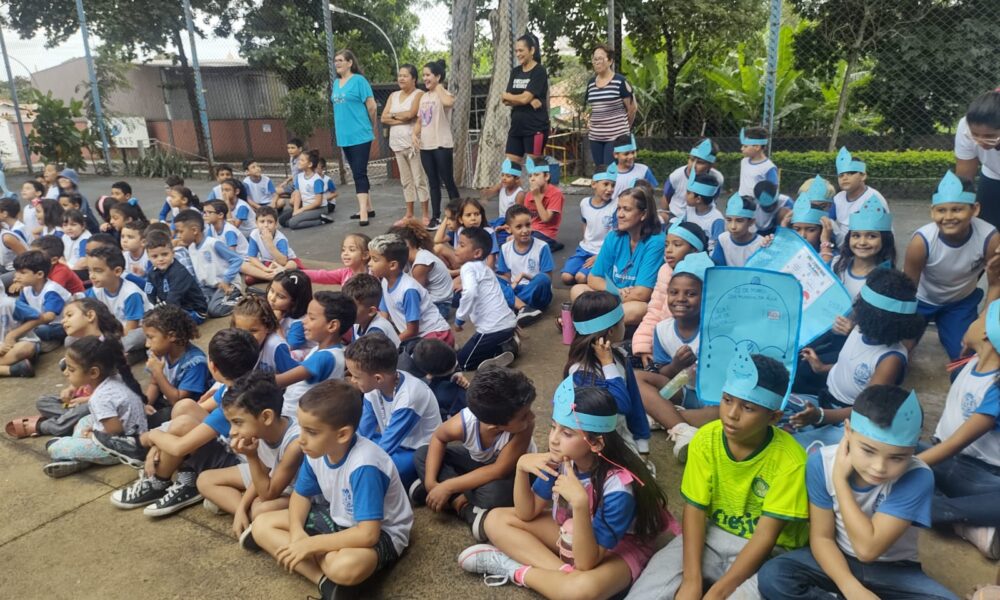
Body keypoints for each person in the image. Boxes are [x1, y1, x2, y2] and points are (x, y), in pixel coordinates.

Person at [458, 383, 670, 599]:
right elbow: (526, 513)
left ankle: (517, 570)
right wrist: (521, 467)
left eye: (567, 433)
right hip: (573, 536)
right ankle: (563, 576)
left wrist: (578, 503)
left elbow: (587, 562)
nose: (553, 439)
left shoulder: (619, 488)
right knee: (494, 519)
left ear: (596, 443)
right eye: (553, 427)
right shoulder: (561, 459)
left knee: (580, 591)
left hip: (618, 548)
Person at [627, 353, 809, 599]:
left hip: (770, 551)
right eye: (727, 400)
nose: (731, 414)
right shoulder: (705, 439)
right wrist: (692, 581)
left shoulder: (792, 460)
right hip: (710, 535)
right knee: (649, 589)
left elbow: (766, 536)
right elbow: (695, 510)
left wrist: (718, 592)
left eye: (748, 407)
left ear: (774, 417)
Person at [758, 386, 957, 600]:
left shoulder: (917, 476)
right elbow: (822, 538)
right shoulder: (821, 463)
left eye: (897, 458)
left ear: (913, 448)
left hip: (895, 570)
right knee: (775, 575)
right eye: (868, 451)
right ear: (847, 430)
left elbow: (868, 549)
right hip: (836, 560)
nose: (879, 467)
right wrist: (851, 587)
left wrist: (840, 482)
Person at [251, 379, 413, 600]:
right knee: (261, 524)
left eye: (311, 432)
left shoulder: (364, 466)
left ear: (342, 434)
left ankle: (328, 570)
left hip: (383, 533)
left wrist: (311, 544)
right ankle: (325, 582)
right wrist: (297, 532)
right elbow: (301, 495)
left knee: (344, 567)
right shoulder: (316, 451)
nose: (301, 440)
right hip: (340, 520)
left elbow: (368, 535)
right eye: (300, 428)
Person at [98, 329, 260, 517]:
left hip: (242, 459)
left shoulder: (233, 405)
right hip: (237, 448)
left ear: (213, 366)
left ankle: (157, 479)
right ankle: (186, 476)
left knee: (183, 425)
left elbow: (179, 447)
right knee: (185, 407)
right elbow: (196, 408)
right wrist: (160, 439)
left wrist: (151, 437)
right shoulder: (237, 385)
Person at [792, 269, 924, 449]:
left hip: (846, 418)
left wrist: (820, 416)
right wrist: (821, 368)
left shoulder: (890, 360)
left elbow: (866, 410)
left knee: (799, 445)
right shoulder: (859, 329)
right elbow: (850, 368)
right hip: (824, 399)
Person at [412, 366, 536, 540]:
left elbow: (498, 470)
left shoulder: (525, 428)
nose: (531, 417)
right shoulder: (463, 423)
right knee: (422, 454)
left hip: (512, 474)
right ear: (495, 426)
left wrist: (447, 487)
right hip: (478, 465)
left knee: (496, 494)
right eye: (523, 416)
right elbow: (438, 438)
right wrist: (432, 483)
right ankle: (463, 505)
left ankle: (454, 500)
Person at [918, 300, 1000, 558]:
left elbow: (956, 444)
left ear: (987, 333)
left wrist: (904, 466)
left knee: (902, 463)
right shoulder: (972, 361)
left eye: (979, 316)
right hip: (946, 459)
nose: (972, 319)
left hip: (981, 476)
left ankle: (942, 511)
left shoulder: (997, 389)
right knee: (897, 447)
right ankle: (969, 525)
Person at [196, 370, 303, 546]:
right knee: (205, 480)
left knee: (261, 507)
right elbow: (263, 472)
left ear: (266, 417)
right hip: (270, 480)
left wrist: (251, 457)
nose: (232, 432)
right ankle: (246, 516)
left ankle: (253, 518)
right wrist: (240, 509)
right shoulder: (260, 431)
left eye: (238, 422)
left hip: (295, 491)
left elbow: (268, 494)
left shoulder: (294, 443)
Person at [905, 170, 1000, 360]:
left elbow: (996, 283)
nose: (948, 217)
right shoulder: (921, 241)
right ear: (932, 212)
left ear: (975, 209)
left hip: (959, 303)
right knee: (898, 351)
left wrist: (983, 321)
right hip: (921, 301)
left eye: (957, 209)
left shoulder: (989, 238)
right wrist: (903, 321)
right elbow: (908, 287)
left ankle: (951, 329)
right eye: (941, 210)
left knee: (966, 355)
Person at [636, 253, 720, 456]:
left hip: (713, 399)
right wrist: (676, 364)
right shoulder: (662, 329)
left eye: (691, 294)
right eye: (674, 292)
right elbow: (663, 372)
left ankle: (663, 417)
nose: (680, 299)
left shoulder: (716, 330)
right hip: (683, 392)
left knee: (724, 415)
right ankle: (682, 428)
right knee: (635, 377)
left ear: (706, 296)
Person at [42, 336, 147, 478]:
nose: (66, 372)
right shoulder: (118, 378)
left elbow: (115, 431)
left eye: (71, 370)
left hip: (120, 449)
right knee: (84, 421)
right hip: (137, 433)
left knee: (54, 446)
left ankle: (76, 459)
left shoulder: (99, 398)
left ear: (93, 373)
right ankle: (79, 456)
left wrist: (94, 435)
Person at [347, 333, 442, 488]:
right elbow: (363, 431)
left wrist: (353, 459)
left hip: (417, 451)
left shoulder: (409, 397)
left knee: (371, 471)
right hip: (392, 441)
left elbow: (386, 446)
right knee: (354, 445)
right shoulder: (372, 389)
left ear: (378, 378)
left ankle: (420, 479)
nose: (352, 380)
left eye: (356, 376)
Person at [565, 291, 651, 455]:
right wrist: (607, 365)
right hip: (597, 446)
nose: (624, 326)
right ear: (611, 331)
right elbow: (621, 404)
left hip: (621, 436)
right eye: (622, 322)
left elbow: (634, 400)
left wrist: (642, 442)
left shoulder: (619, 355)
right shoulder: (580, 371)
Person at [571, 186, 665, 326]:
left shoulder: (656, 242)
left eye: (626, 209)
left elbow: (642, 293)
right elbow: (593, 278)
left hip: (630, 302)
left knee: (638, 309)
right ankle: (600, 325)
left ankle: (586, 325)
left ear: (643, 214)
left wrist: (609, 293)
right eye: (618, 208)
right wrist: (616, 292)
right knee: (577, 290)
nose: (619, 214)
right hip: (616, 297)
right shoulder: (613, 237)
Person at [631, 220, 707, 363]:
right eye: (666, 245)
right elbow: (655, 310)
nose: (669, 250)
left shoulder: (706, 275)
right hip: (664, 342)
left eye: (677, 245)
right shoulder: (665, 270)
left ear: (695, 250)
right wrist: (643, 345)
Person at [277, 291, 354, 419]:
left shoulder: (324, 357)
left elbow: (279, 381)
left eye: (311, 318)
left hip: (295, 419)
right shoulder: (325, 351)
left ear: (332, 325)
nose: (304, 322)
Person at [368, 233, 453, 349]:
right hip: (417, 337)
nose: (369, 263)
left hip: (435, 337)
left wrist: (390, 344)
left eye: (375, 260)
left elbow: (412, 330)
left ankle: (449, 357)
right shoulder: (384, 282)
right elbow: (383, 314)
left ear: (392, 265)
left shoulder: (408, 290)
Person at [454, 227, 519, 369]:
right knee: (474, 346)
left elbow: (470, 292)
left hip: (492, 329)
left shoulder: (468, 267)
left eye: (462, 245)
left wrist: (460, 318)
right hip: (508, 324)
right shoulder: (486, 269)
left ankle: (497, 354)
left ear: (477, 253)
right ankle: (508, 345)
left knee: (462, 364)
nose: (456, 248)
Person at [140, 304, 212, 421]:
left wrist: (158, 372)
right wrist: (146, 405)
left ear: (172, 336)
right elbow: (154, 384)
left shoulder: (195, 363)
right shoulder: (159, 353)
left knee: (151, 422)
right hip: (167, 400)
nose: (147, 344)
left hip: (188, 410)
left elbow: (178, 401)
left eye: (151, 337)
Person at [331, 49, 378, 224]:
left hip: (360, 134)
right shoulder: (336, 83)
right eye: (336, 60)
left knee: (359, 173)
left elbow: (372, 106)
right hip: (344, 136)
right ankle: (369, 208)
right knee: (357, 170)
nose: (337, 63)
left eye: (341, 60)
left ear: (350, 63)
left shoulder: (359, 81)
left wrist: (369, 125)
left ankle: (363, 214)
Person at [172, 209, 245, 318]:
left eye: (180, 231)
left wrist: (226, 280)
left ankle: (242, 300)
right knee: (195, 306)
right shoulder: (191, 247)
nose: (178, 236)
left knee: (214, 310)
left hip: (227, 285)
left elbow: (237, 259)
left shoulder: (212, 243)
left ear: (194, 230)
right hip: (208, 288)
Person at [414, 60, 460, 230]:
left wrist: (438, 86)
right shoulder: (424, 97)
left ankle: (459, 213)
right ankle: (435, 217)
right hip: (426, 146)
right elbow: (420, 121)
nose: (425, 78)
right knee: (432, 182)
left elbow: (449, 103)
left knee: (448, 180)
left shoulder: (444, 94)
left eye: (428, 75)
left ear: (438, 76)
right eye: (423, 75)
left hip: (442, 145)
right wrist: (414, 134)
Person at [382, 64, 429, 223]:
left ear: (414, 79)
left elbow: (411, 114)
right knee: (406, 181)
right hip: (397, 144)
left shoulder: (419, 94)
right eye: (399, 75)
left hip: (413, 144)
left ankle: (425, 214)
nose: (401, 78)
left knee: (419, 179)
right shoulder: (393, 96)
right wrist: (400, 117)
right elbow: (383, 118)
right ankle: (409, 214)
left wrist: (393, 116)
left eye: (405, 76)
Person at [83, 246, 151, 353]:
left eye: (98, 271)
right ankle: (113, 353)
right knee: (72, 338)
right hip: (113, 331)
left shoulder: (131, 293)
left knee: (136, 337)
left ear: (117, 271)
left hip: (135, 329)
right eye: (90, 271)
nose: (92, 276)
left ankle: (110, 353)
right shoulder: (95, 291)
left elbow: (131, 328)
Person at [498, 204, 554, 325]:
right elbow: (506, 276)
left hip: (536, 291)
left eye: (528, 225)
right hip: (515, 290)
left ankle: (513, 306)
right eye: (518, 227)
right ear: (508, 229)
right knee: (492, 279)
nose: (525, 230)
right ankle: (524, 308)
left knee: (542, 279)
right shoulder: (505, 248)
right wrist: (507, 284)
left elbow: (548, 278)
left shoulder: (542, 246)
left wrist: (524, 275)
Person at [584, 44, 635, 168]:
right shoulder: (591, 84)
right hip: (595, 136)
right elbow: (589, 108)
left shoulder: (620, 82)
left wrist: (624, 131)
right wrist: (587, 120)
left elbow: (632, 109)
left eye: (600, 59)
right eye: (594, 59)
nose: (597, 62)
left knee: (610, 171)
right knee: (600, 172)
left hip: (615, 137)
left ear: (610, 61)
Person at [562, 171, 617, 286]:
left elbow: (616, 236)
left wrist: (601, 256)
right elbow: (585, 223)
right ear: (593, 184)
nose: (610, 189)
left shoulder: (615, 206)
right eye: (606, 184)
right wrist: (586, 241)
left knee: (580, 277)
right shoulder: (584, 203)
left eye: (613, 185)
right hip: (584, 249)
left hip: (601, 252)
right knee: (566, 277)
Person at [389, 220, 453, 319]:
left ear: (404, 245)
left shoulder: (420, 263)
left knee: (404, 317)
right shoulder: (412, 258)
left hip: (440, 305)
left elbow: (416, 294)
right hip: (433, 300)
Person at [955, 90, 1000, 229]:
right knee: (986, 229)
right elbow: (964, 178)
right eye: (975, 134)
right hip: (993, 175)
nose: (981, 141)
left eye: (989, 136)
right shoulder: (965, 126)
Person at [143, 230, 208, 324]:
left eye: (165, 254)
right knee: (148, 319)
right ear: (149, 257)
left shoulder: (179, 272)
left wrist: (158, 315)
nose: (160, 259)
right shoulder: (152, 272)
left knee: (160, 325)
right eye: (155, 256)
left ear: (173, 253)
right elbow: (150, 294)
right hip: (173, 307)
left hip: (194, 311)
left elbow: (173, 301)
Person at [503, 33, 549, 164]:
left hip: (535, 128)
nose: (518, 54)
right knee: (510, 168)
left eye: (521, 50)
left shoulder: (539, 71)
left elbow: (523, 98)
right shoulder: (515, 71)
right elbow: (505, 100)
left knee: (533, 169)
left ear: (532, 50)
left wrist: (514, 97)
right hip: (516, 127)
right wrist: (528, 99)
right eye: (516, 51)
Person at [830, 147, 889, 246]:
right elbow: (827, 218)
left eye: (851, 173)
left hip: (865, 247)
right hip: (843, 247)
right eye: (841, 175)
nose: (845, 178)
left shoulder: (873, 198)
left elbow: (881, 235)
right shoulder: (838, 198)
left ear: (863, 176)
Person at [13, 250, 70, 348]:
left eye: (22, 273)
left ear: (39, 274)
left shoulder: (52, 291)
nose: (16, 276)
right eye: (16, 272)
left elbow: (49, 317)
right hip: (42, 321)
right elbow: (20, 308)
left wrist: (28, 325)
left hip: (60, 324)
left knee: (42, 330)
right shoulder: (27, 288)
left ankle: (53, 341)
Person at [231, 296, 297, 376]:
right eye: (240, 330)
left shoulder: (276, 347)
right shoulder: (236, 342)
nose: (246, 336)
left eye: (253, 331)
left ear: (268, 327)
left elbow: (295, 376)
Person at [663, 138, 724, 220]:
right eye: (691, 160)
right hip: (676, 217)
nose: (693, 165)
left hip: (702, 219)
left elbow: (712, 199)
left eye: (700, 162)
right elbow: (666, 198)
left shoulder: (717, 179)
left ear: (711, 165)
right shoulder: (676, 176)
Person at [280, 150, 334, 230]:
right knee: (282, 220)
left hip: (319, 209)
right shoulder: (299, 177)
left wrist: (301, 210)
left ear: (310, 164)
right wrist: (296, 210)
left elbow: (318, 202)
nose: (299, 162)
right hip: (305, 206)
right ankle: (302, 219)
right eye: (299, 159)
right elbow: (298, 195)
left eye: (302, 160)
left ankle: (321, 220)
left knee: (292, 223)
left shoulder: (317, 180)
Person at [343, 273, 400, 348]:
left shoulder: (376, 332)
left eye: (352, 308)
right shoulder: (357, 323)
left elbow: (364, 358)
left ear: (371, 311)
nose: (346, 310)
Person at [267, 270, 314, 358]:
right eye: (272, 291)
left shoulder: (299, 322)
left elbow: (287, 349)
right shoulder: (275, 308)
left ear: (295, 301)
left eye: (280, 296)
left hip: (302, 353)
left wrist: (276, 324)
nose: (272, 298)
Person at [0, 279, 40, 378]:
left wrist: (13, 334)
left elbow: (38, 318)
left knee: (26, 348)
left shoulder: (8, 304)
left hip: (16, 345)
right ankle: (12, 370)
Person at [712, 194, 764, 266]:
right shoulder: (723, 239)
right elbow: (718, 269)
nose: (733, 226)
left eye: (739, 221)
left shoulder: (760, 244)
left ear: (751, 222)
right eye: (729, 220)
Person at [299, 232, 369, 286]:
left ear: (365, 255)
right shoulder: (344, 273)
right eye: (343, 250)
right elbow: (322, 275)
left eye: (352, 250)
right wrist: (297, 273)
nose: (345, 253)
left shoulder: (373, 274)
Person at [683, 171, 725, 252]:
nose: (685, 195)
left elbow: (715, 248)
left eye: (688, 193)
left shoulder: (717, 220)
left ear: (698, 199)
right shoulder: (689, 209)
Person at [608, 135, 658, 201]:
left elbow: (651, 193)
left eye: (633, 152)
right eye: (626, 154)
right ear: (615, 155)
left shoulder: (644, 170)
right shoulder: (608, 172)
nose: (631, 156)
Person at [737, 126, 779, 197]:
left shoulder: (768, 167)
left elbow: (773, 189)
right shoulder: (744, 161)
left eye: (745, 146)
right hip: (741, 202)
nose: (741, 148)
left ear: (757, 147)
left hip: (757, 205)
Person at [0, 196, 29, 288]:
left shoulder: (7, 237)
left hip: (16, 271)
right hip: (5, 268)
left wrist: (19, 279)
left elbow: (27, 259)